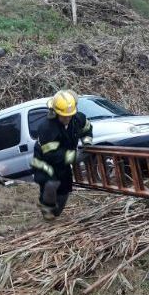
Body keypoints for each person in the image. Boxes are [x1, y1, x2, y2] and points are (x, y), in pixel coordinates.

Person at [31, 90, 93, 220]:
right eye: (64, 116)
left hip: (63, 161)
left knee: (64, 190)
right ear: (55, 112)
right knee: (51, 183)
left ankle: (54, 210)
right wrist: (75, 157)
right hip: (44, 161)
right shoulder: (46, 128)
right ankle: (45, 208)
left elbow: (87, 128)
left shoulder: (77, 118)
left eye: (70, 115)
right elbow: (51, 154)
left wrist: (87, 142)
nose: (67, 119)